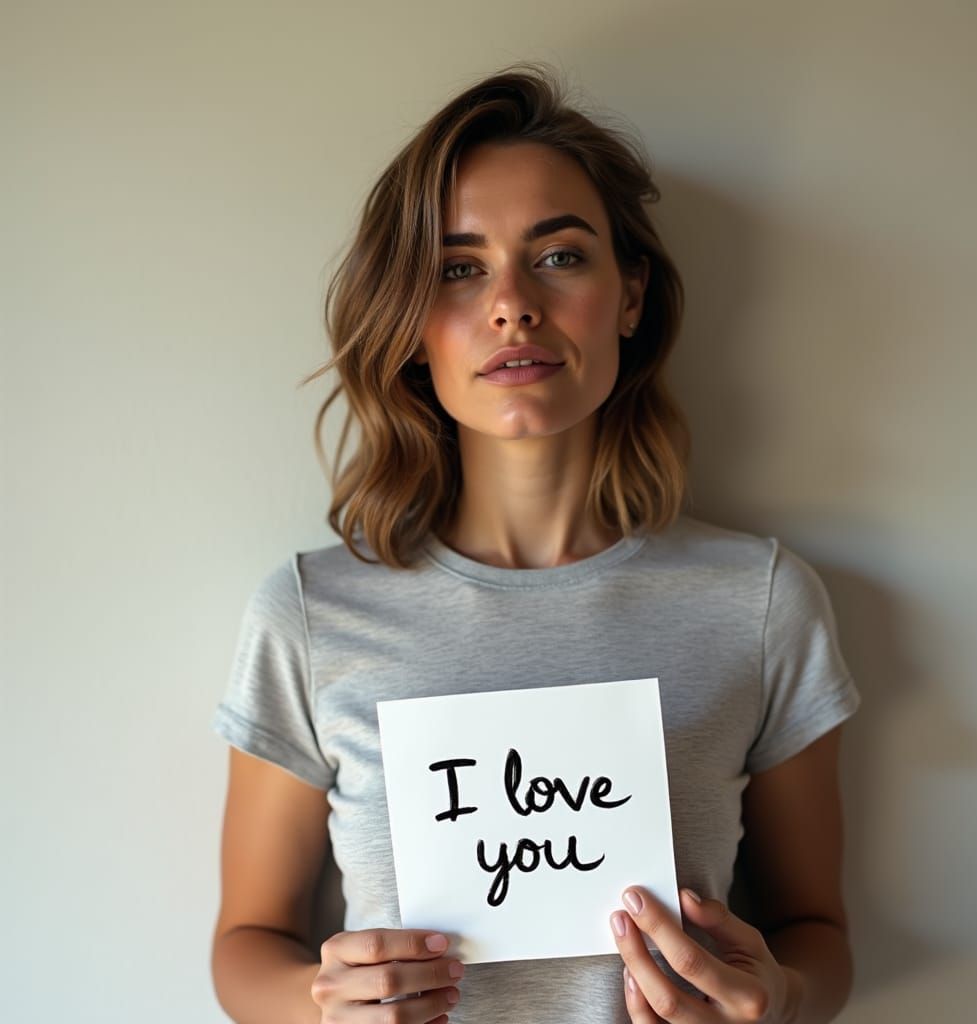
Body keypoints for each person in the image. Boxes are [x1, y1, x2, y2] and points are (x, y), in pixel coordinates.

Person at [209, 62, 861, 1024]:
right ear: (410, 324)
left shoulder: (760, 601)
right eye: (459, 268)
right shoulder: (311, 615)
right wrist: (320, 1006)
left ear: (630, 295)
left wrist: (778, 994)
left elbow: (819, 933)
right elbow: (244, 944)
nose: (513, 303)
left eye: (559, 256)